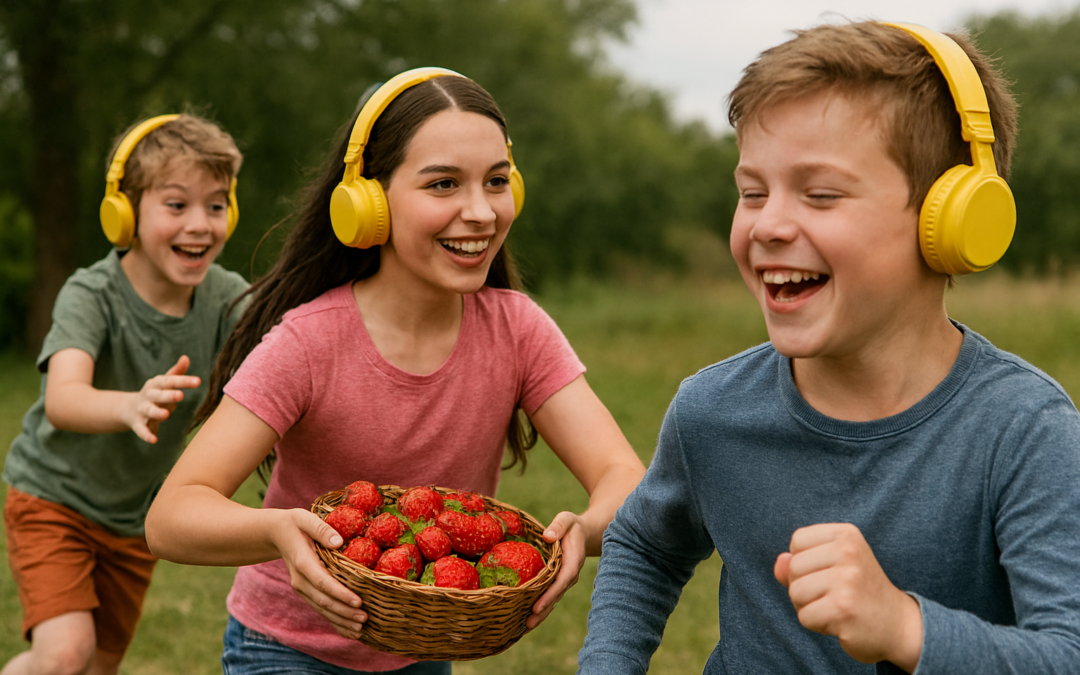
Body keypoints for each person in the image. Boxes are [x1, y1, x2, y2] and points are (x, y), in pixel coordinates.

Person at [577, 20, 1080, 675]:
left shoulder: (1022, 430)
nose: (769, 224)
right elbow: (645, 542)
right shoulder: (711, 410)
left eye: (820, 194)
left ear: (951, 222)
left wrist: (906, 626)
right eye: (752, 191)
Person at [143, 68, 646, 675]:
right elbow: (171, 518)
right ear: (368, 204)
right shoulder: (306, 342)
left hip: (422, 650)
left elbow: (624, 477)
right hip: (283, 650)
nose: (481, 212)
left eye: (496, 182)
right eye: (443, 184)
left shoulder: (519, 330)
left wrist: (585, 532)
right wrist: (279, 532)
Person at [2, 112, 249, 675]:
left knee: (99, 666)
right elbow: (64, 398)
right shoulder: (92, 293)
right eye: (177, 204)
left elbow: (291, 338)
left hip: (134, 523)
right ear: (124, 213)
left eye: (216, 205)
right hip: (54, 501)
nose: (201, 224)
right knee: (64, 654)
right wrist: (128, 404)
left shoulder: (229, 299)